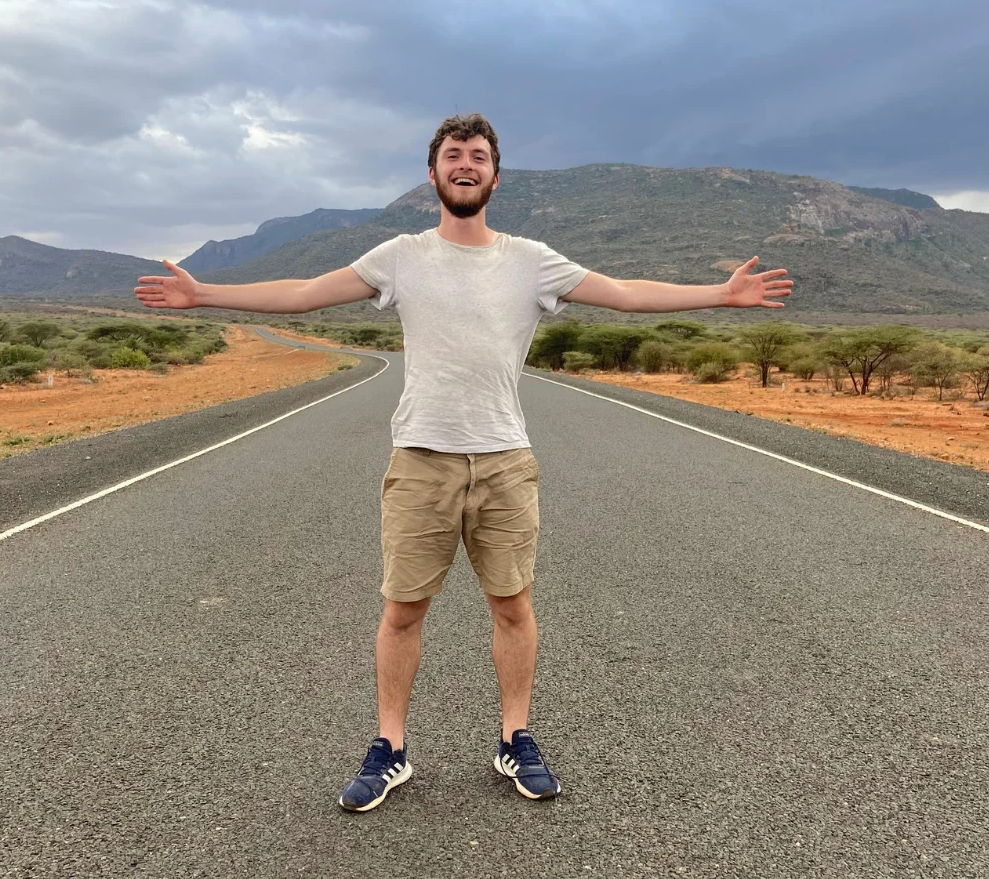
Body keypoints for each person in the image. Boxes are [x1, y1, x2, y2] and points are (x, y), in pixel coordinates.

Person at [134, 113, 793, 812]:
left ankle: (515, 737)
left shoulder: (531, 260)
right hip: (421, 458)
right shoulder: (402, 254)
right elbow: (302, 293)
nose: (465, 164)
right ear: (433, 174)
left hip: (505, 459)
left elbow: (626, 294)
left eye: (478, 156)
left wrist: (721, 295)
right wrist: (203, 293)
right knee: (402, 611)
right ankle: (390, 748)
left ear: (494, 177)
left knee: (512, 605)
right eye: (454, 155)